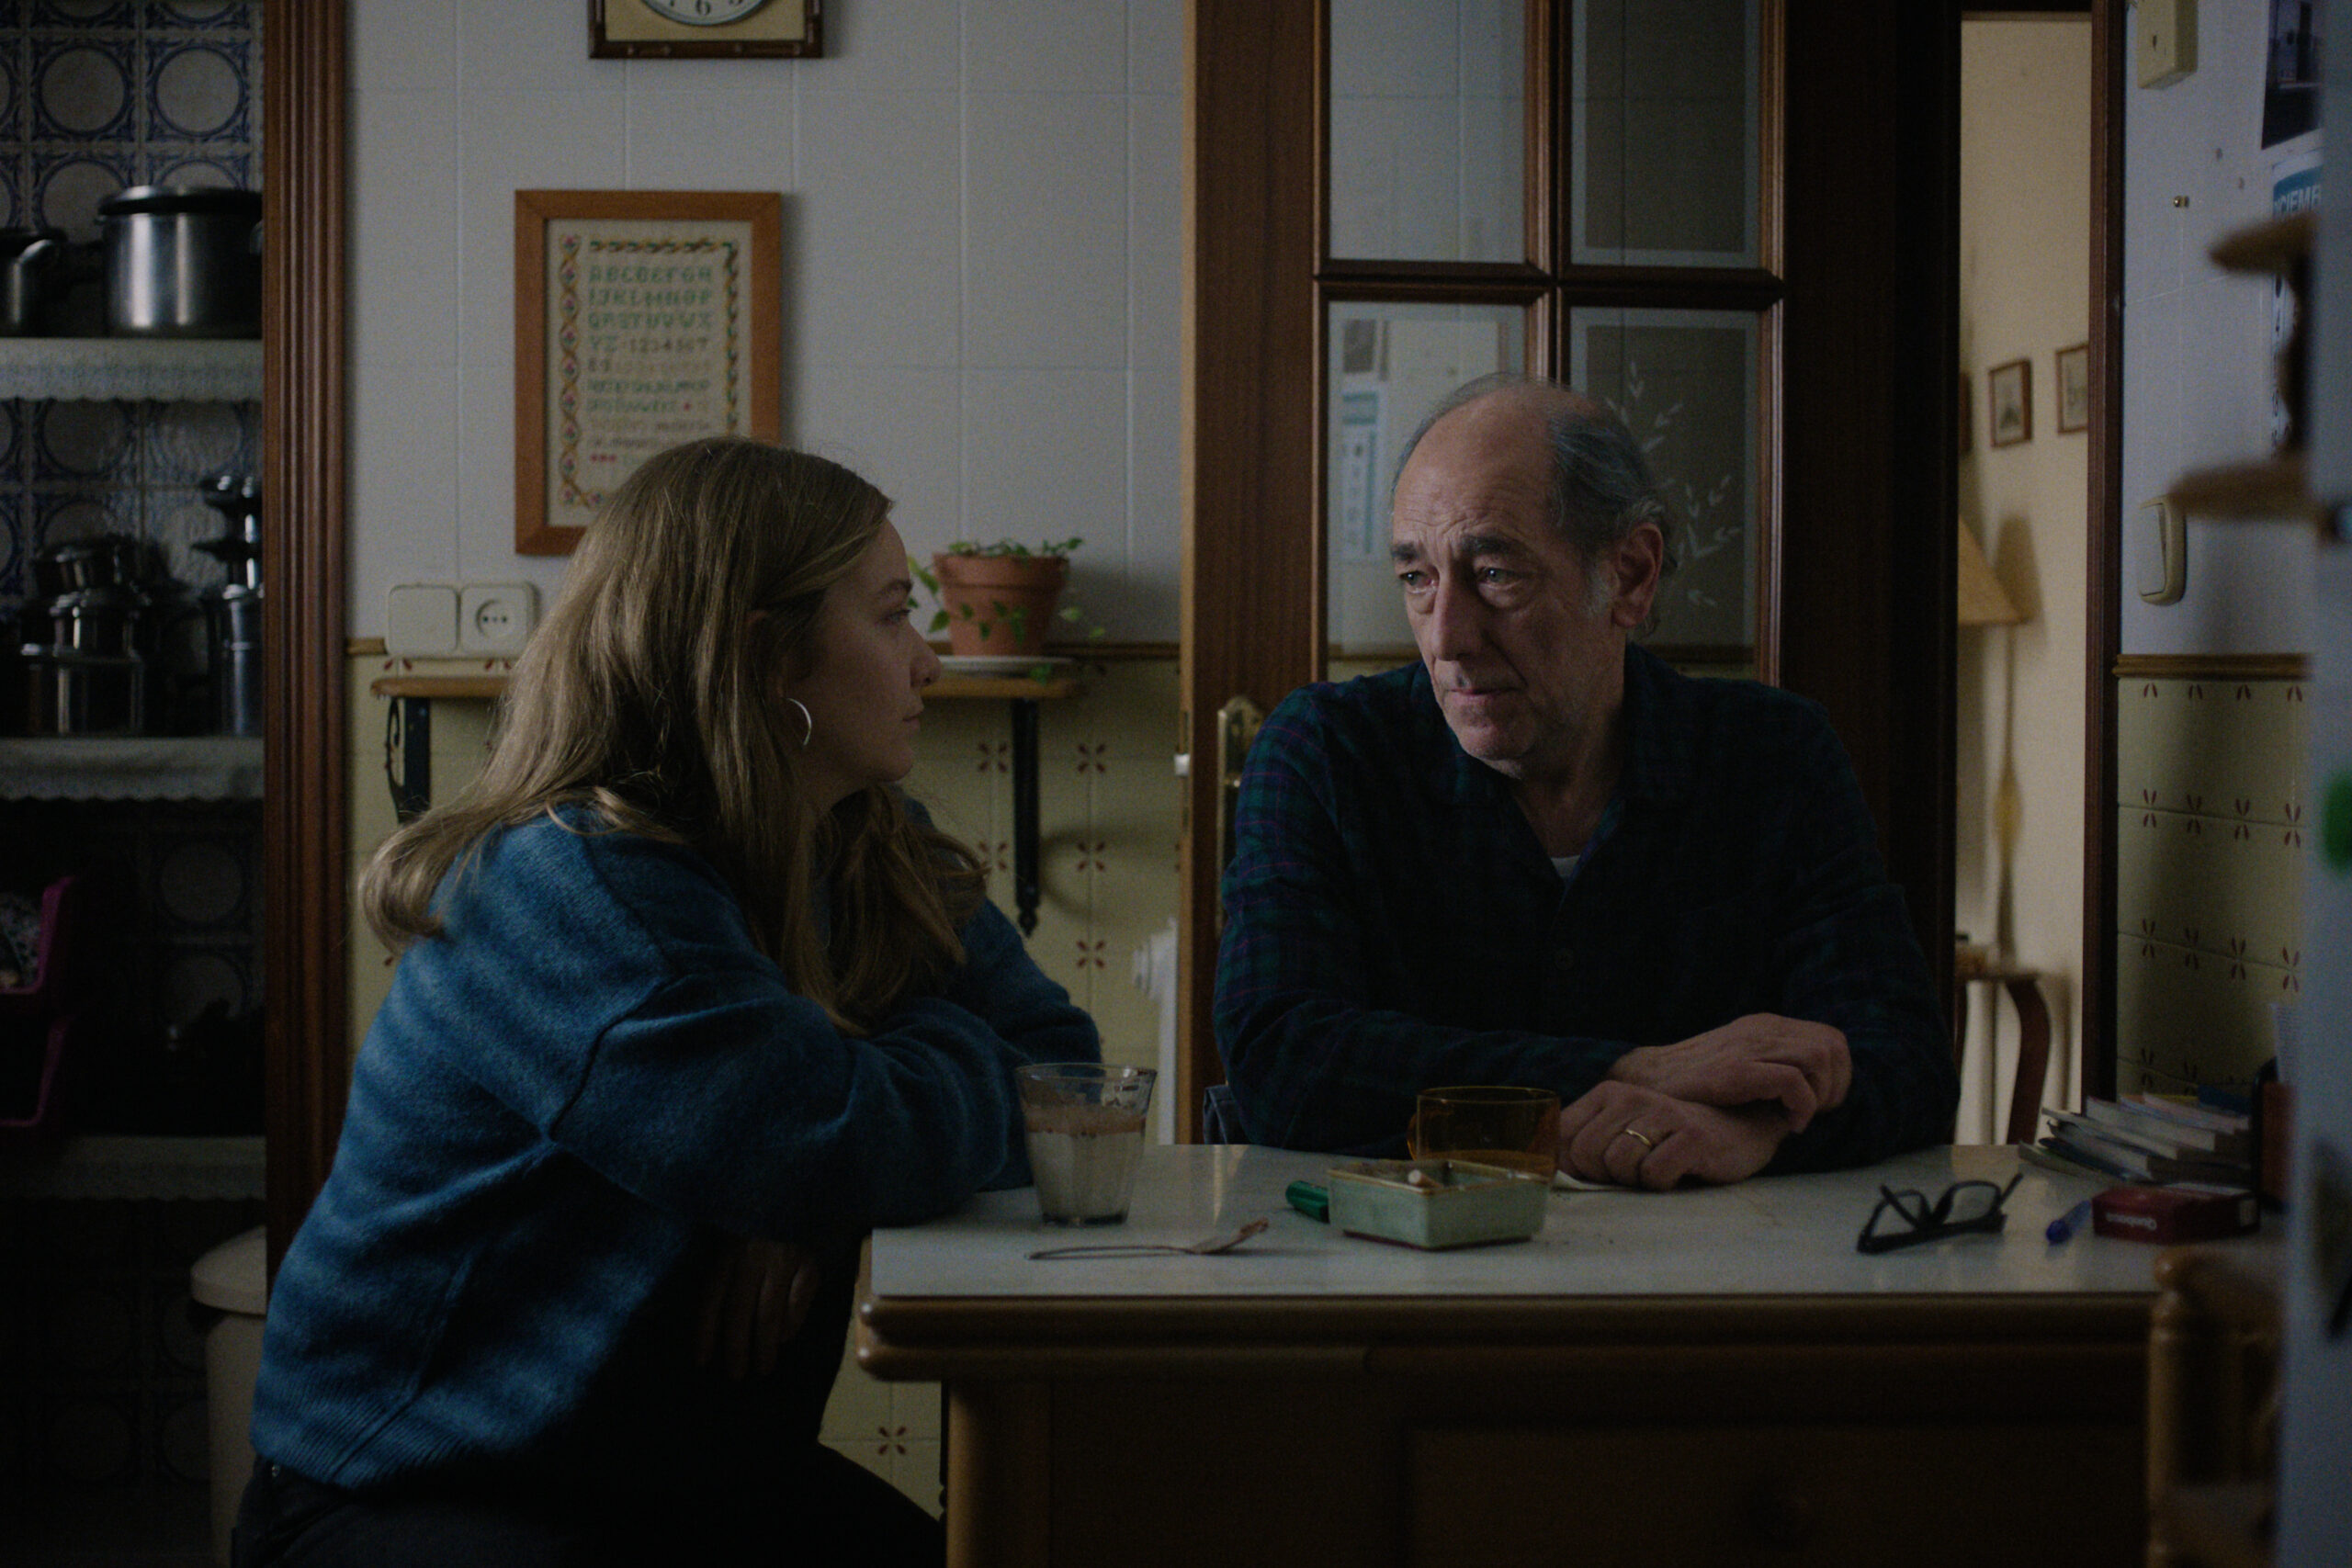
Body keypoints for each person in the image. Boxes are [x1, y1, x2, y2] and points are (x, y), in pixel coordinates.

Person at [234, 436, 1101, 1567]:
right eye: (893, 616)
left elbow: (1062, 1071)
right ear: (766, 657)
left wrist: (806, 1180)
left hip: (675, 1478)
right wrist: (817, 1145)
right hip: (419, 1491)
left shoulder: (869, 844)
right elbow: (813, 1136)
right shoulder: (572, 881)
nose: (926, 661)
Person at [1213, 376, 1954, 1190]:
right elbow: (1282, 1057)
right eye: (1418, 578)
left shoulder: (1775, 758)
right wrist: (1633, 1071)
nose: (1447, 638)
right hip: (1393, 1262)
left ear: (1630, 576)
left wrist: (1754, 1130)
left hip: (1707, 1259)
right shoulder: (1324, 753)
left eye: (1494, 572)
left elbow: (1903, 1055)